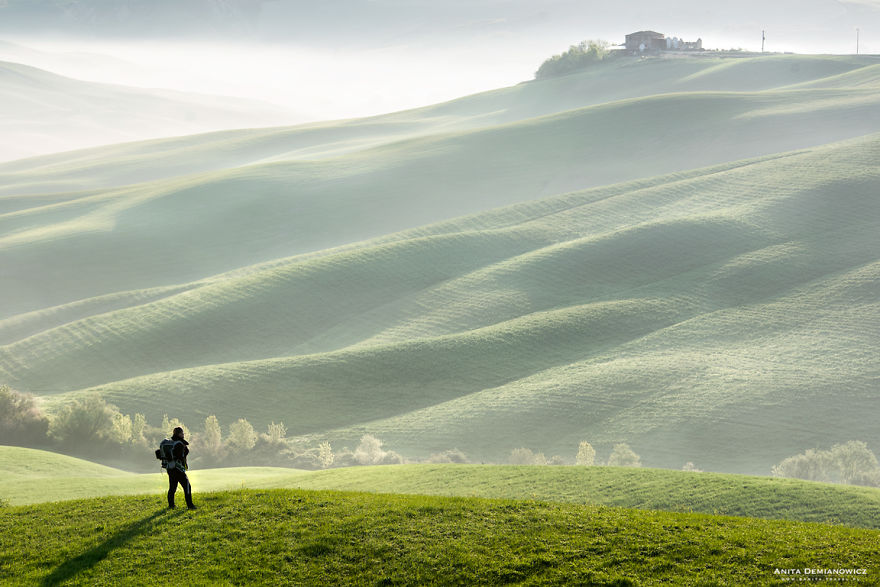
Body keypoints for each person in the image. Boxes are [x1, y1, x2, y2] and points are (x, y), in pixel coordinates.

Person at [166, 426, 196, 510]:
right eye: (182, 433)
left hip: (170, 468)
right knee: (187, 486)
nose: (183, 435)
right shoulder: (179, 444)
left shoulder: (171, 442)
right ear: (179, 434)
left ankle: (171, 505)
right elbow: (180, 456)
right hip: (178, 469)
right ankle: (190, 506)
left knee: (172, 488)